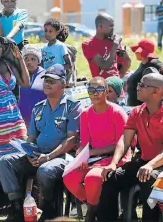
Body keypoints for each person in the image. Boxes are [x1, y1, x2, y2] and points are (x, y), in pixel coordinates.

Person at [0, 64, 83, 221]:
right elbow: (31, 138)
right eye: (46, 80)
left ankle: (48, 207)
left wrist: (48, 156)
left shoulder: (72, 106)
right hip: (38, 155)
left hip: (62, 157)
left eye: (52, 81)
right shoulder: (38, 108)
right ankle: (16, 208)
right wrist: (28, 153)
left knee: (45, 170)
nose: (47, 84)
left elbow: (72, 139)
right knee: (5, 161)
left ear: (63, 84)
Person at [99, 73, 163, 222]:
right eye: (139, 84)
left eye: (142, 85)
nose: (137, 88)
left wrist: (151, 165)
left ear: (156, 91)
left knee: (148, 178)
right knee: (110, 177)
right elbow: (124, 140)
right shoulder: (136, 112)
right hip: (143, 162)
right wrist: (113, 163)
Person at [63, 77, 130, 222]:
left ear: (106, 92)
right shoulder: (85, 114)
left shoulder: (117, 112)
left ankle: (91, 213)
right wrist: (82, 153)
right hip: (93, 158)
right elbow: (86, 143)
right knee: (69, 177)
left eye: (99, 89)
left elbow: (122, 144)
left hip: (114, 158)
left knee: (92, 178)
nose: (94, 93)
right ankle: (95, 205)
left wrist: (92, 153)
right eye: (91, 90)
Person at [82, 13, 131, 79]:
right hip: (101, 85)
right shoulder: (88, 44)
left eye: (113, 26)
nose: (113, 29)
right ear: (100, 26)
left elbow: (127, 61)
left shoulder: (113, 41)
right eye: (110, 26)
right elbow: (105, 66)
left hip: (116, 84)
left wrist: (119, 76)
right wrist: (114, 46)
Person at [126, 38, 163, 106]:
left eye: (138, 51)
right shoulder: (143, 63)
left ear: (144, 52)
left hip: (144, 108)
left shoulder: (155, 63)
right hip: (134, 106)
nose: (136, 53)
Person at [18, 44, 46, 128]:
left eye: (33, 59)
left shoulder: (46, 75)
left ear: (38, 61)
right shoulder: (17, 75)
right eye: (26, 59)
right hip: (21, 124)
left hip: (41, 123)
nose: (29, 62)